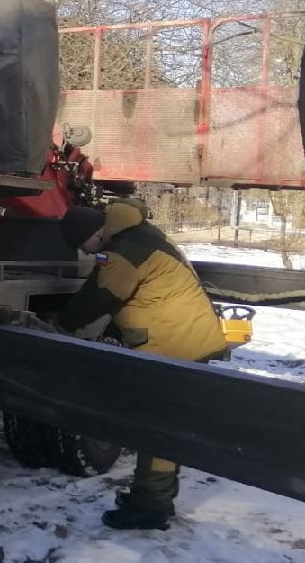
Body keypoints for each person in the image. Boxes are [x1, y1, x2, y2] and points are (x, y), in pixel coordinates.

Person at [57, 201, 229, 531]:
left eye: (83, 245)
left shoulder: (123, 252)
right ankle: (155, 497)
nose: (85, 252)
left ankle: (149, 507)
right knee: (162, 425)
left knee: (158, 428)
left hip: (176, 344)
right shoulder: (134, 236)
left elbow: (100, 295)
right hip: (183, 339)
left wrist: (60, 324)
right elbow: (101, 281)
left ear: (94, 233)